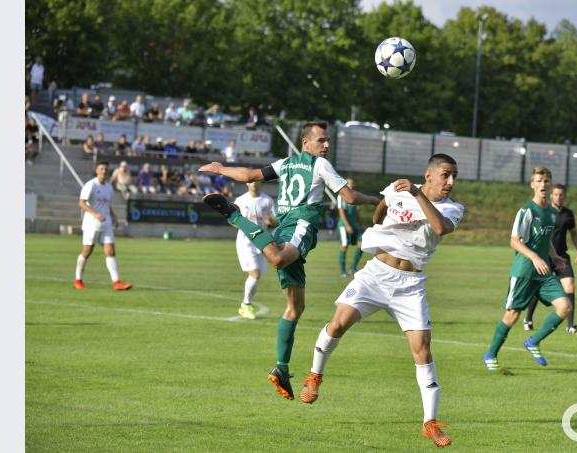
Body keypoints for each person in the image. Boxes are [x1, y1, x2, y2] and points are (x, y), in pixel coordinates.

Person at [199, 120, 380, 400]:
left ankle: (281, 368)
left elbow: (249, 174)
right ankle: (235, 215)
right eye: (321, 140)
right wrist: (377, 200)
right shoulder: (319, 165)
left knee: (295, 308)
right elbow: (350, 197)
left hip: (283, 227)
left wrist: (221, 169)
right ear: (306, 143)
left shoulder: (284, 163)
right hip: (300, 226)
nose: (327, 145)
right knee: (278, 258)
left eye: (328, 140)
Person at [298, 154, 464, 448]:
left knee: (422, 351)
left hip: (410, 285)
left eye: (454, 177)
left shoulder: (452, 208)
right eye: (446, 175)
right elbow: (381, 209)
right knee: (338, 324)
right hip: (375, 275)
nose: (450, 182)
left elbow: (439, 228)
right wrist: (379, 221)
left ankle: (430, 423)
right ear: (429, 174)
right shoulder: (397, 189)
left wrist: (415, 194)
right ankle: (314, 376)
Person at [483, 166, 572, 371]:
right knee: (512, 315)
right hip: (524, 271)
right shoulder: (527, 211)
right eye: (539, 181)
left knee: (565, 306)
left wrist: (554, 257)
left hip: (543, 273)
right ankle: (491, 354)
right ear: (532, 184)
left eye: (546, 181)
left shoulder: (551, 212)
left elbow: (545, 240)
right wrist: (534, 257)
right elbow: (514, 241)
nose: (543, 184)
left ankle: (533, 341)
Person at [523, 184, 577, 335]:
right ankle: (528, 318)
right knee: (538, 288)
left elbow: (574, 233)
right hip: (545, 255)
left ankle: (570, 326)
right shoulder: (545, 212)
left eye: (561, 195)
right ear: (551, 195)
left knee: (569, 285)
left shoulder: (568, 214)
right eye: (556, 194)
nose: (558, 197)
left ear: (565, 196)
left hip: (562, 256)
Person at [74, 161, 133, 291]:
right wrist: (95, 214)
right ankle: (78, 279)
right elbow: (81, 203)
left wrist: (114, 216)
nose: (104, 171)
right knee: (87, 251)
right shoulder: (91, 185)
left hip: (105, 224)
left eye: (106, 169)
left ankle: (117, 282)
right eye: (101, 169)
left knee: (110, 251)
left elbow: (107, 205)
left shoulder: (109, 187)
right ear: (97, 171)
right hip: (91, 224)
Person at [233, 181, 278, 320]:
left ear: (261, 183)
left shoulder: (267, 200)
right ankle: (245, 305)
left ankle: (247, 303)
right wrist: (244, 225)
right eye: (251, 181)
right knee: (255, 274)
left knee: (257, 275)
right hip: (245, 241)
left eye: (257, 180)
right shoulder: (240, 200)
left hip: (261, 241)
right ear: (247, 183)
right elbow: (232, 220)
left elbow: (276, 221)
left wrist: (272, 222)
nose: (254, 183)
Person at [336, 177, 364, 277]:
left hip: (355, 225)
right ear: (345, 185)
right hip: (344, 226)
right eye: (349, 184)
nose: (351, 185)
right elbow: (341, 211)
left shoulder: (355, 196)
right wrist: (347, 225)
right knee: (344, 246)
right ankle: (343, 271)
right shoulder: (341, 196)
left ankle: (353, 267)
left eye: (352, 184)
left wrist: (361, 224)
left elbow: (357, 212)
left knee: (362, 244)